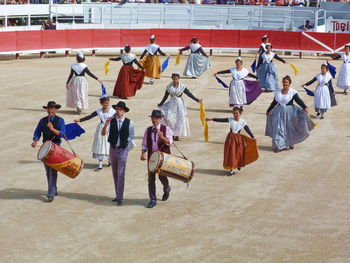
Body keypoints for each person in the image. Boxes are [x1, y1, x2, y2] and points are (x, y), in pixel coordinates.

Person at [266, 76, 314, 153]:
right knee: (278, 128)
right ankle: (278, 145)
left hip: (290, 113)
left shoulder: (293, 92)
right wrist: (268, 110)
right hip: (279, 112)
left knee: (289, 128)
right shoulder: (278, 92)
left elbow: (298, 100)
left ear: (289, 83)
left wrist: (305, 107)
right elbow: (274, 102)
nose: (285, 83)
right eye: (284, 82)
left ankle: (290, 143)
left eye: (286, 82)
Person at [206, 107, 257, 176]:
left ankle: (238, 164)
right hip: (230, 139)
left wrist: (253, 137)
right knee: (231, 154)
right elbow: (221, 120)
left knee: (239, 153)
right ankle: (231, 170)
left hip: (239, 139)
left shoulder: (242, 122)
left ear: (240, 113)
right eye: (234, 113)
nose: (235, 115)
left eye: (236, 113)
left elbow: (247, 129)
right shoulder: (230, 119)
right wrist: (212, 119)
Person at [31, 101, 66, 202]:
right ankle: (53, 189)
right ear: (47, 110)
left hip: (56, 148)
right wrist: (35, 140)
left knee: (52, 170)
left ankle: (50, 193)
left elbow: (62, 134)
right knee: (48, 171)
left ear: (55, 110)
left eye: (53, 108)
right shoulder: (42, 121)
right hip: (45, 147)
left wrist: (52, 128)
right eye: (49, 108)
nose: (51, 110)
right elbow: (37, 131)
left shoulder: (60, 120)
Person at [101, 101, 134, 206]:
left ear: (124, 111)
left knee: (120, 173)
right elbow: (103, 133)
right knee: (115, 173)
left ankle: (120, 197)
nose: (119, 111)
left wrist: (124, 143)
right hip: (113, 149)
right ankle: (117, 194)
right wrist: (106, 124)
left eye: (121, 109)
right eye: (117, 109)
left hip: (123, 150)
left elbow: (131, 136)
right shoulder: (111, 121)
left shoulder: (130, 123)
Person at [141, 110, 173, 209]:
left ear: (160, 119)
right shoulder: (148, 130)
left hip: (163, 157)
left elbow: (170, 142)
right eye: (152, 118)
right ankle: (153, 199)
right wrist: (143, 154)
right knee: (151, 179)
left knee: (162, 177)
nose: (154, 120)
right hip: (152, 157)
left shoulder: (166, 129)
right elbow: (145, 143)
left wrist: (162, 137)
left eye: (156, 118)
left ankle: (167, 188)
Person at [74, 96, 116, 171]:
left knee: (109, 144)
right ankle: (100, 164)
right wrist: (80, 120)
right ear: (101, 103)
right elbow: (90, 116)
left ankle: (110, 161)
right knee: (100, 145)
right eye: (105, 103)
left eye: (107, 102)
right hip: (100, 129)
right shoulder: (99, 111)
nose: (107, 104)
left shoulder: (112, 111)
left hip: (110, 128)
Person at [157, 73, 202, 141]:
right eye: (174, 79)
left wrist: (197, 99)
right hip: (171, 103)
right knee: (169, 118)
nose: (175, 80)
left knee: (179, 119)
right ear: (172, 79)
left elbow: (189, 94)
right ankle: (172, 133)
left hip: (179, 104)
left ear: (178, 78)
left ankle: (177, 134)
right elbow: (165, 96)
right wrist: (161, 103)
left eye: (176, 79)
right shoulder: (169, 87)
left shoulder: (182, 86)